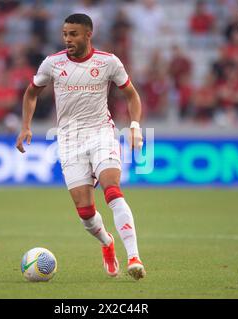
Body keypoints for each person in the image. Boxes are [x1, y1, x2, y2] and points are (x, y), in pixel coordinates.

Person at [15, 13, 146, 280]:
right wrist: (26, 126)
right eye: (65, 34)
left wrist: (134, 126)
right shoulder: (52, 64)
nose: (68, 39)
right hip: (69, 141)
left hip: (101, 134)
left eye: (73, 34)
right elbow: (31, 93)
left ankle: (134, 257)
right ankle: (107, 243)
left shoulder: (108, 62)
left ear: (88, 34)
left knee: (112, 190)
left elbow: (131, 94)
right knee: (86, 214)